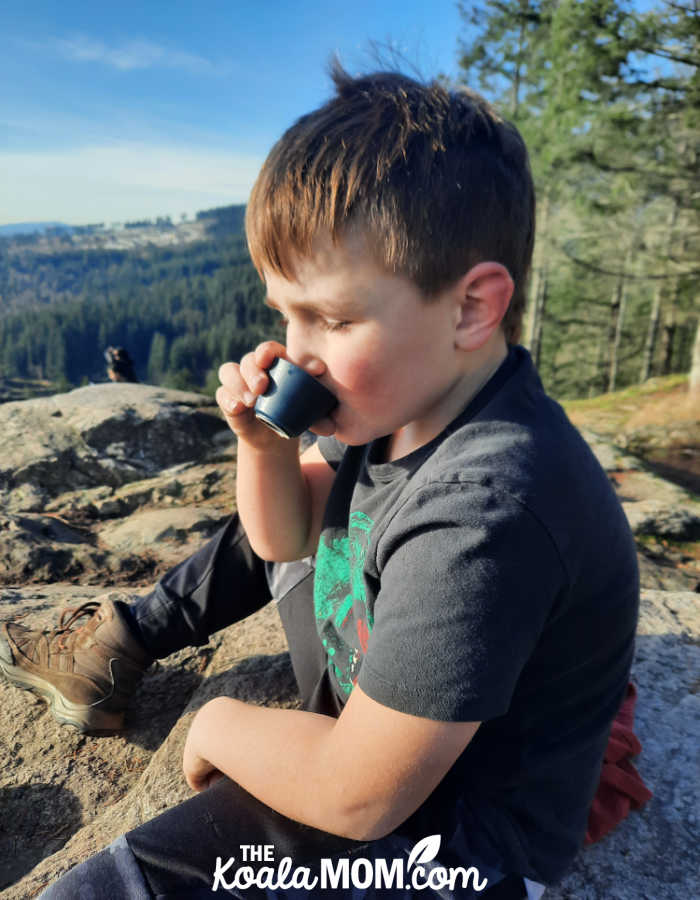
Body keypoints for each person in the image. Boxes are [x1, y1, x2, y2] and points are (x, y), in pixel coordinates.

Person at [0, 65, 639, 899]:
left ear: (472, 309)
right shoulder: (402, 399)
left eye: (334, 319)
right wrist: (263, 443)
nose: (296, 354)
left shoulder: (490, 506)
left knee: (114, 890)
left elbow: (359, 794)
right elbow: (282, 543)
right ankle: (128, 644)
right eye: (284, 314)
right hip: (375, 721)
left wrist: (219, 724)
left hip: (447, 833)